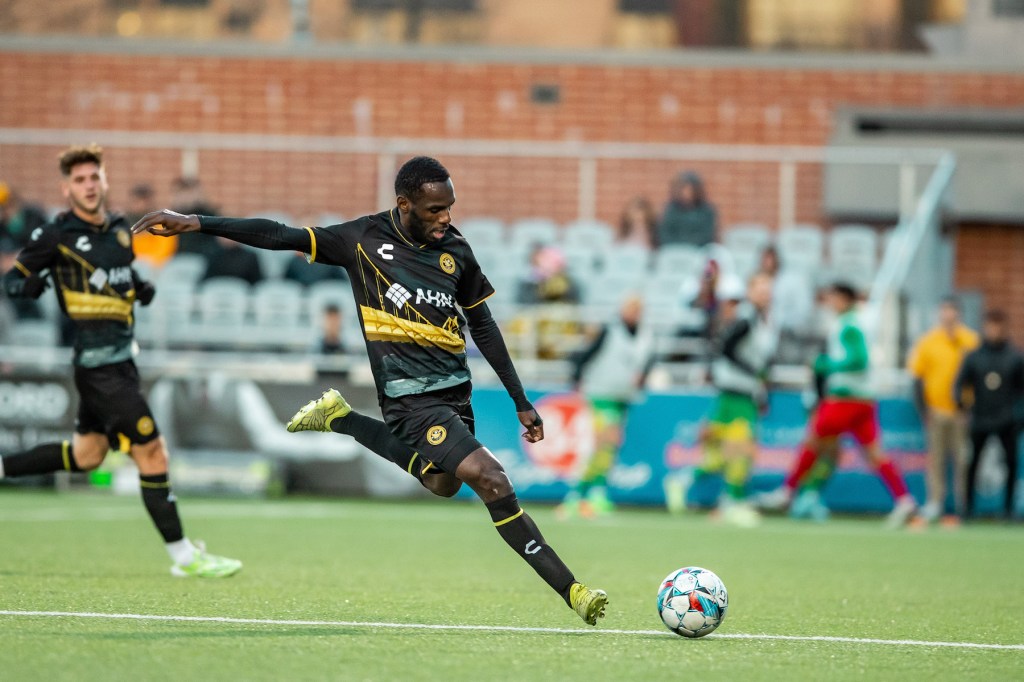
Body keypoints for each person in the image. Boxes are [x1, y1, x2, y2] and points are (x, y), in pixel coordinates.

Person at [132, 156, 608, 625]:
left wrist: (519, 400)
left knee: (442, 483)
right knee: (493, 480)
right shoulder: (361, 239)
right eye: (434, 211)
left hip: (454, 395)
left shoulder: (456, 250)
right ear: (404, 204)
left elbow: (483, 326)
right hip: (408, 400)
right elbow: (279, 235)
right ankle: (573, 591)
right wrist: (196, 222)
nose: (446, 219)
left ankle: (343, 420)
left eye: (449, 208)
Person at [0, 144, 240, 577]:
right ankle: (184, 557)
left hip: (123, 359)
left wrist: (138, 289)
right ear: (67, 188)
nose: (89, 186)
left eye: (94, 177)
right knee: (152, 452)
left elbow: (120, 276)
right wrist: (29, 287)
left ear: (104, 182)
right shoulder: (56, 234)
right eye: (79, 180)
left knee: (88, 455)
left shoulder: (118, 229)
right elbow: (15, 280)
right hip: (97, 364)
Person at [757, 282, 917, 527]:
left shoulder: (848, 325)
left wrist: (826, 364)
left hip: (846, 398)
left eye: (833, 298)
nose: (830, 303)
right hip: (864, 400)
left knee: (813, 440)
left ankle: (787, 492)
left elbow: (859, 359)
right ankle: (904, 500)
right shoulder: (858, 322)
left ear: (843, 299)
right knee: (874, 454)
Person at [665, 272, 776, 527]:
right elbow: (725, 346)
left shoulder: (760, 319)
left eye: (768, 289)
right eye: (760, 288)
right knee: (741, 449)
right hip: (736, 392)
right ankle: (731, 502)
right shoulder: (747, 317)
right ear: (750, 291)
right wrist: (753, 373)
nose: (765, 293)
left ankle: (682, 480)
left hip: (740, 392)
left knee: (723, 453)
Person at [556, 294, 653, 519]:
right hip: (601, 395)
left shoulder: (645, 335)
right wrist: (576, 378)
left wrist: (644, 377)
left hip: (624, 397)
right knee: (604, 442)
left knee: (608, 447)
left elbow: (647, 362)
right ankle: (584, 494)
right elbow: (585, 354)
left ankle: (588, 493)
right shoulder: (609, 330)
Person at [906, 297, 979, 526]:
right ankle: (935, 503)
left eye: (953, 311)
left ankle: (963, 505)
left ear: (959, 314)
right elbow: (917, 378)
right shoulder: (928, 341)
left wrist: (971, 409)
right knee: (936, 460)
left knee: (963, 459)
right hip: (936, 410)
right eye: (945, 311)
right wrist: (923, 409)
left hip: (961, 413)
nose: (949, 316)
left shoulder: (971, 340)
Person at [955, 310, 1024, 521]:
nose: (994, 331)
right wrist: (963, 407)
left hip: (1006, 420)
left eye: (998, 326)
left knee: (1011, 463)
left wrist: (1019, 417)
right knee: (972, 462)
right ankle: (968, 509)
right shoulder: (974, 356)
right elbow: (959, 385)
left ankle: (1008, 509)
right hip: (980, 419)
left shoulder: (1015, 357)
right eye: (991, 326)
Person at [657, 171, 716, 248]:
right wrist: (679, 244)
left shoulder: (706, 211)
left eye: (691, 190)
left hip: (698, 249)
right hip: (674, 249)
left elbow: (707, 234)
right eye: (684, 190)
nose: (687, 194)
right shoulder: (670, 210)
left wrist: (690, 244)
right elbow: (665, 233)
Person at [125, 183, 177, 268]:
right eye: (135, 202)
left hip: (157, 268)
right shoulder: (125, 225)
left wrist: (148, 263)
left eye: (142, 201)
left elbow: (163, 252)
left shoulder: (162, 224)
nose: (139, 205)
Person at [0, 182, 48, 248]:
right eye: (4, 208)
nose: (7, 211)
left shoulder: (33, 215)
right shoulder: (3, 225)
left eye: (9, 205)